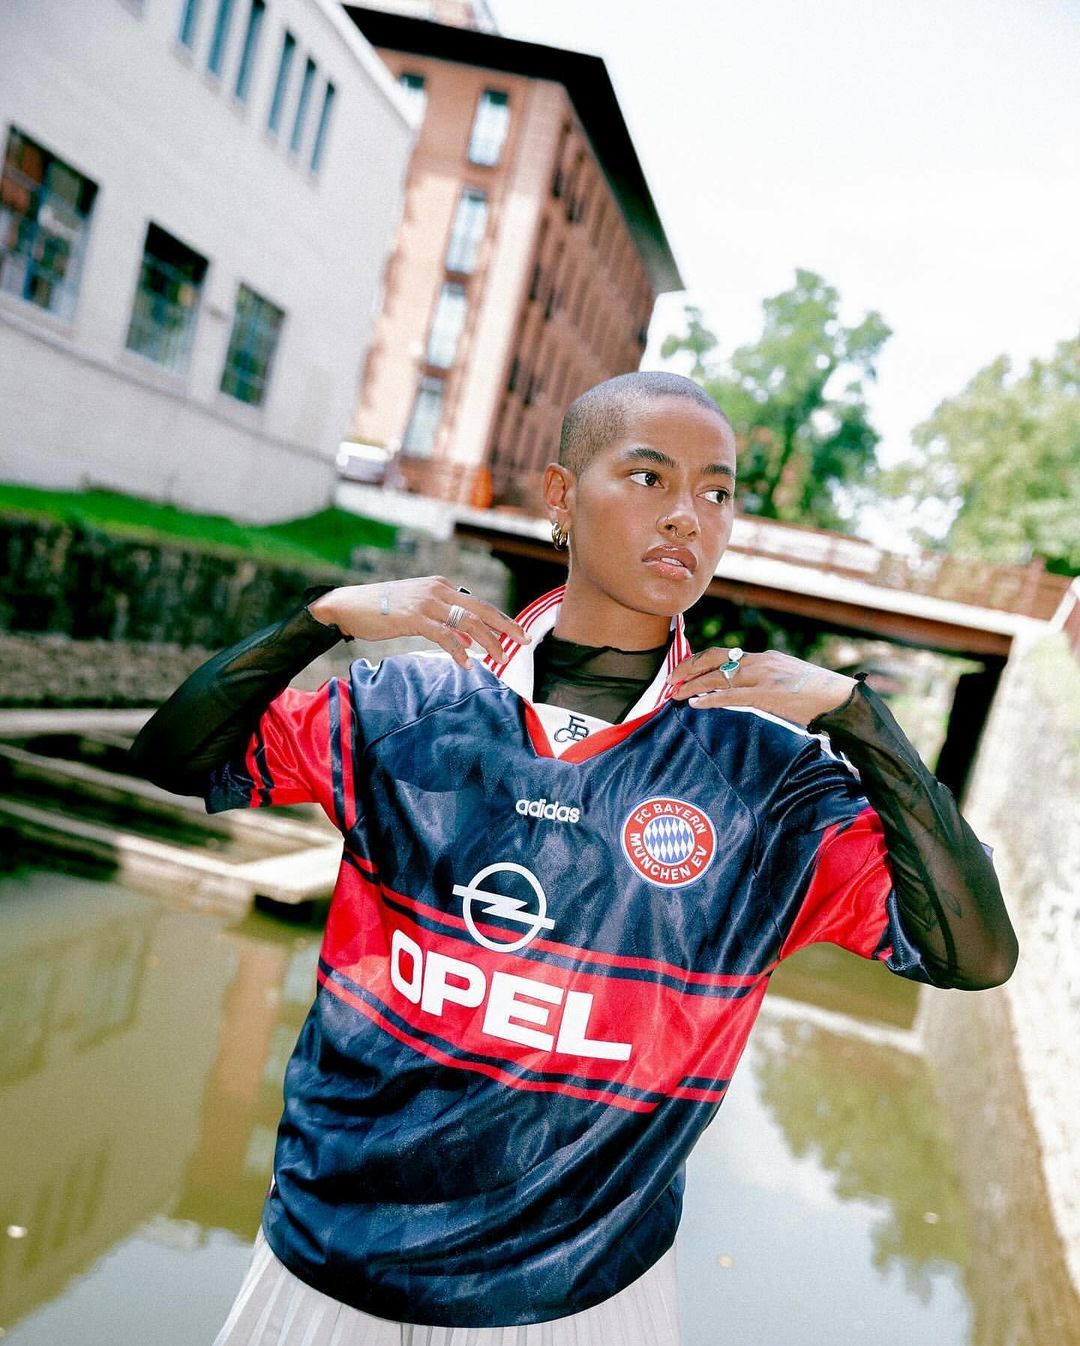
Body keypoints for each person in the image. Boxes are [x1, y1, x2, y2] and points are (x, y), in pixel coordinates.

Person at [128, 371, 1017, 1346]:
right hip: (326, 1263)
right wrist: (320, 619)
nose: (688, 515)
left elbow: (972, 952)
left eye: (716, 493)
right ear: (559, 496)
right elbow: (175, 756)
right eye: (649, 476)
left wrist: (860, 718)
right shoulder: (406, 708)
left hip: (582, 1299)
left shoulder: (767, 780)